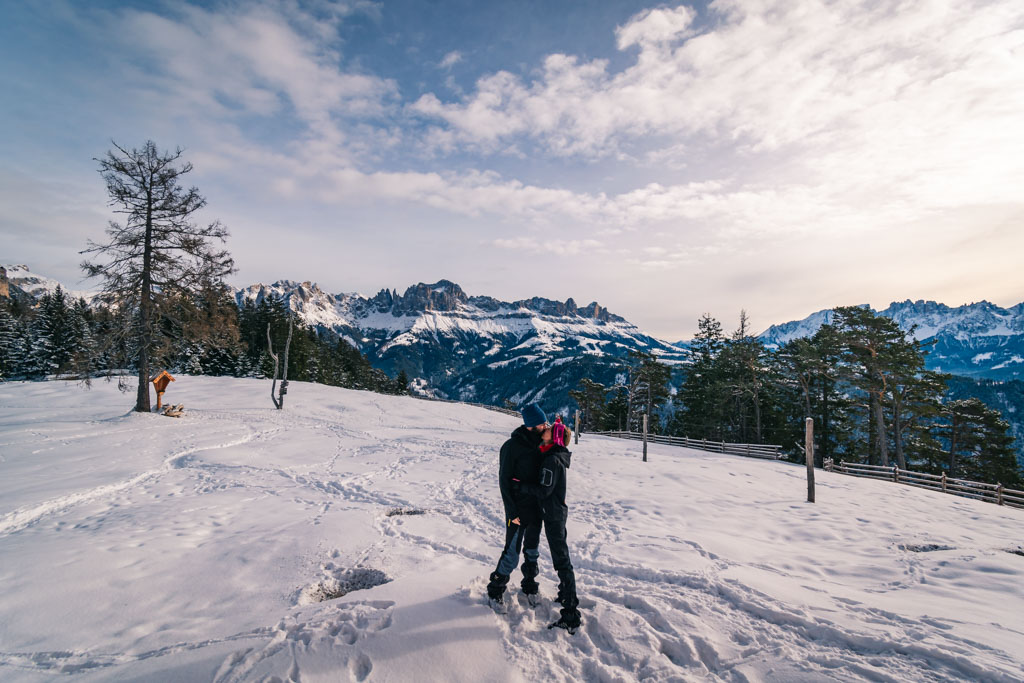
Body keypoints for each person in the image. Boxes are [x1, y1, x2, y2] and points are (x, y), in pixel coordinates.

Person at [520, 417, 582, 633]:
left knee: (561, 560)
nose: (544, 430)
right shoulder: (554, 456)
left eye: (549, 430)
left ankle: (571, 614)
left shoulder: (551, 461)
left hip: (553, 514)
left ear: (554, 438)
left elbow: (543, 490)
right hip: (556, 511)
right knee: (561, 556)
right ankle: (565, 595)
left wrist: (523, 487)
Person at [486, 402, 547, 605]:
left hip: (536, 507)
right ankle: (495, 589)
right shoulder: (511, 447)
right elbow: (504, 482)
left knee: (532, 551)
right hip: (518, 509)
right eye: (542, 424)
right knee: (511, 553)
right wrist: (511, 512)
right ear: (531, 425)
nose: (545, 427)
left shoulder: (540, 444)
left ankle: (529, 585)